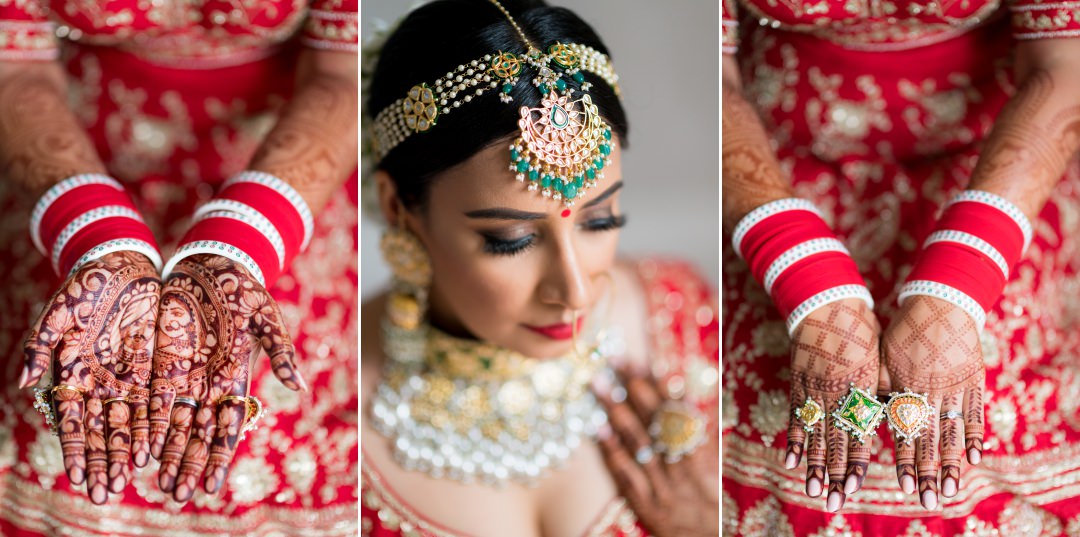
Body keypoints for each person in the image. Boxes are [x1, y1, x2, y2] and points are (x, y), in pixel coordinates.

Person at [359, 0, 720, 535]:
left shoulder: (683, 322)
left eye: (598, 221)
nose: (575, 292)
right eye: (512, 240)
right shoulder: (322, 392)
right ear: (399, 210)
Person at [0, 1, 359, 535]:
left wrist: (238, 245)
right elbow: (14, 65)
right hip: (69, 172)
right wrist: (96, 238)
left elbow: (341, 72)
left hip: (277, 188)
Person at [722, 0, 1080, 534]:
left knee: (989, 429)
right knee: (779, 418)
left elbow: (1065, 65)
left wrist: (962, 278)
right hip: (772, 173)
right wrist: (799, 267)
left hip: (996, 168)